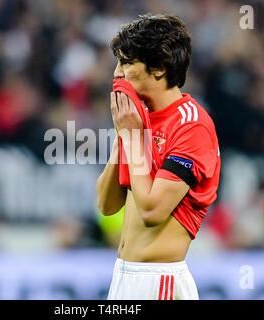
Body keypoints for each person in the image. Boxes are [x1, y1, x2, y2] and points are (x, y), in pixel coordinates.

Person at [96, 14, 221, 300]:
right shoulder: (141, 121)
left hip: (159, 282)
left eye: (127, 63)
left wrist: (131, 137)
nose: (117, 73)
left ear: (160, 68)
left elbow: (152, 211)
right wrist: (123, 137)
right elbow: (106, 204)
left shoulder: (192, 126)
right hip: (123, 276)